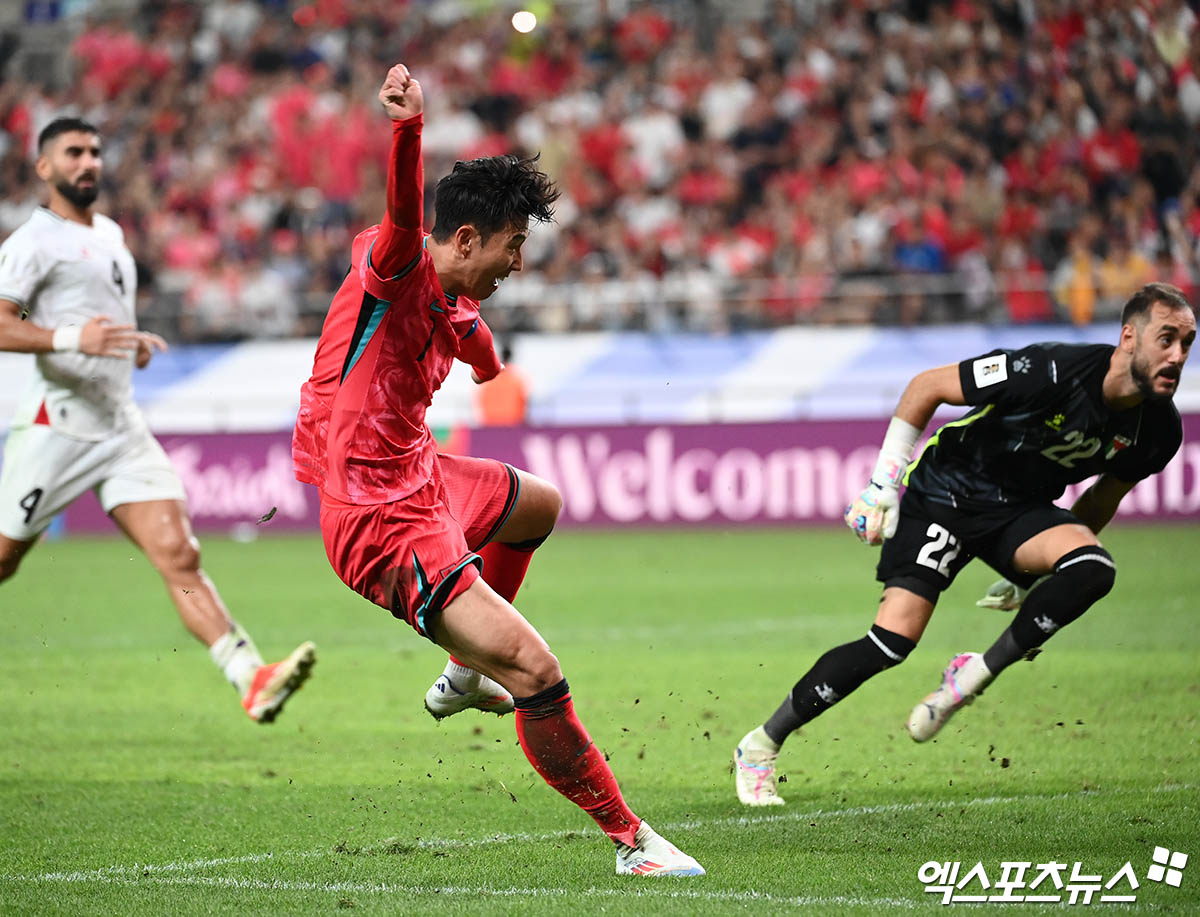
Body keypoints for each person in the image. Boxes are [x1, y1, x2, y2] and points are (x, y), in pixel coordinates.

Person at [292, 64, 703, 877]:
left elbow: (467, 328)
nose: (519, 263)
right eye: (514, 245)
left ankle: (459, 672)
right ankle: (630, 842)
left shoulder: (452, 298)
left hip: (424, 474)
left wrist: (481, 356)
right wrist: (409, 129)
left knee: (536, 504)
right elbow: (405, 218)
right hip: (380, 521)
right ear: (468, 239)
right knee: (536, 670)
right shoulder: (399, 264)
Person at [734, 282, 1194, 806]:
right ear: (1129, 338)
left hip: (1019, 514)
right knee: (891, 642)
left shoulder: (1158, 429)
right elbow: (927, 386)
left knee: (1092, 567)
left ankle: (970, 676)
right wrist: (885, 483)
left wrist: (1048, 570)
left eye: (1187, 342)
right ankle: (760, 746)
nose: (1177, 355)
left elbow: (1103, 498)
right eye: (1167, 339)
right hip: (946, 495)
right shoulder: (1049, 371)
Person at [0, 117, 316, 723]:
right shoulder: (32, 241)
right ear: (44, 167)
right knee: (5, 560)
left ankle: (250, 675)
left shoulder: (111, 234)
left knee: (179, 551)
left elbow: (97, 324)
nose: (88, 162)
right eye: (73, 153)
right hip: (57, 424)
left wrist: (126, 343)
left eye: (94, 151)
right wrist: (74, 338)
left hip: (120, 425)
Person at [475, 342, 530, 426]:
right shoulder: (517, 379)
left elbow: (481, 400)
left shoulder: (490, 379)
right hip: (512, 425)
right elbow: (523, 403)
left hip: (490, 424)